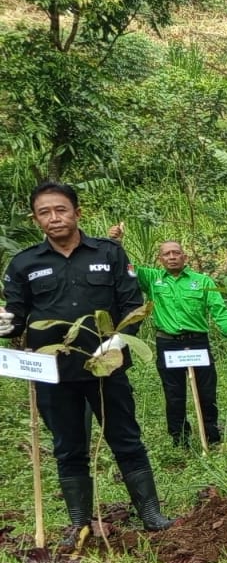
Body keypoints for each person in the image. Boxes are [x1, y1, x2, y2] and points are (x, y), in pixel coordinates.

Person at [0, 182, 172, 544]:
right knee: (68, 446)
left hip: (105, 366)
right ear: (36, 219)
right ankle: (79, 522)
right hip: (53, 373)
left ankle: (151, 514)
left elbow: (131, 304)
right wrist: (6, 323)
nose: (54, 218)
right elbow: (15, 317)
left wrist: (119, 339)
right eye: (44, 212)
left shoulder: (109, 253)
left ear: (77, 213)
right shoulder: (24, 263)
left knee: (125, 438)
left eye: (60, 209)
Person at [109, 228, 227, 447]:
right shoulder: (152, 279)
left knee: (206, 392)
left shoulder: (202, 281)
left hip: (197, 343)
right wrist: (116, 242)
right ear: (160, 259)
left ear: (185, 257)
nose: (172, 257)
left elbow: (218, 309)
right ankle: (179, 438)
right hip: (168, 344)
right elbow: (126, 268)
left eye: (176, 253)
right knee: (174, 394)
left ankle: (210, 435)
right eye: (167, 254)